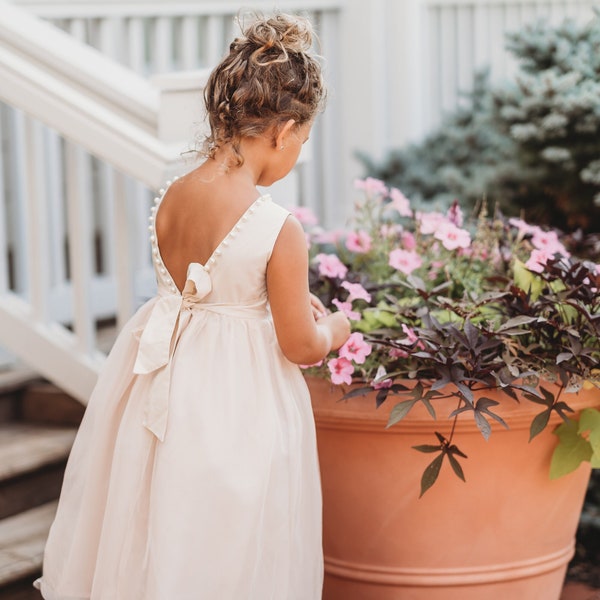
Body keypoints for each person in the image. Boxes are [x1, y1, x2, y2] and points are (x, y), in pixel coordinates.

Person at [34, 12, 351, 600]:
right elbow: (299, 345)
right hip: (236, 402)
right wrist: (334, 323)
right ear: (283, 131)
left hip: (163, 383)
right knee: (226, 529)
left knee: (155, 511)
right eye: (301, 143)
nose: (296, 157)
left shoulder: (172, 195)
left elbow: (204, 289)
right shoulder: (277, 227)